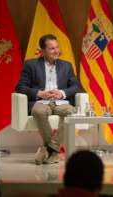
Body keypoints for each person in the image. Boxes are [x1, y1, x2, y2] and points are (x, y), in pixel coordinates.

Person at [15, 34, 80, 165]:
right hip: (40, 101)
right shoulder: (31, 65)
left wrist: (61, 93)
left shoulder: (66, 66)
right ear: (42, 51)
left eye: (57, 47)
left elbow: (76, 87)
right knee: (39, 112)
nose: (56, 51)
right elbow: (20, 87)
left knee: (71, 112)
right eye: (52, 49)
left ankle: (49, 149)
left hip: (61, 102)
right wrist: (40, 93)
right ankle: (54, 151)